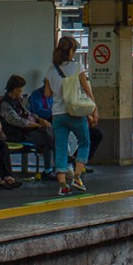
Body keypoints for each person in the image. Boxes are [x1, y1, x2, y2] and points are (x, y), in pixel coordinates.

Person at [44, 34, 97, 196]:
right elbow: (87, 89)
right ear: (70, 51)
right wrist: (94, 109)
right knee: (84, 142)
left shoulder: (50, 71)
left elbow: (47, 94)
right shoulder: (77, 67)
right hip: (74, 112)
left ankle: (62, 184)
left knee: (60, 148)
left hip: (58, 115)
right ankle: (77, 177)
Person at [0, 74, 55, 171]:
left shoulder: (16, 101)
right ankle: (53, 165)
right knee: (47, 137)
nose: (22, 91)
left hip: (25, 131)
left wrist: (40, 120)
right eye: (21, 89)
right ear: (15, 89)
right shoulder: (5, 104)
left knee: (47, 132)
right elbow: (17, 121)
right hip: (15, 133)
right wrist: (37, 125)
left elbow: (28, 113)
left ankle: (52, 166)